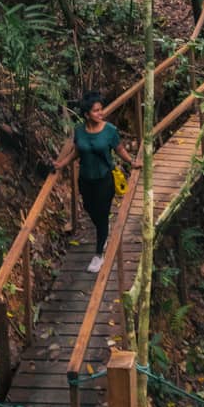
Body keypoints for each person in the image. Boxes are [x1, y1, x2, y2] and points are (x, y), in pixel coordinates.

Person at [51, 91, 136, 273]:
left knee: (103, 213)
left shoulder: (109, 131)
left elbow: (119, 149)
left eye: (101, 109)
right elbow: (77, 151)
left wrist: (132, 162)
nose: (100, 113)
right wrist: (61, 163)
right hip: (85, 179)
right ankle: (103, 233)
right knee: (91, 210)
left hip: (104, 179)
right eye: (96, 111)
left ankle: (99, 255)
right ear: (87, 114)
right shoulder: (80, 131)